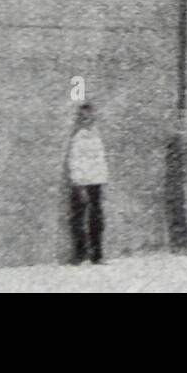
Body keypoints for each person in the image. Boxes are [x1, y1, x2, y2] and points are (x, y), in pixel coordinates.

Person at [67, 104, 109, 264]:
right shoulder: (78, 138)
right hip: (82, 182)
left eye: (90, 117)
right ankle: (80, 253)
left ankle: (97, 253)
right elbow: (75, 161)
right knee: (79, 218)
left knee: (96, 219)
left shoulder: (96, 136)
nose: (88, 120)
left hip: (96, 182)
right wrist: (78, 183)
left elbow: (101, 160)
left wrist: (102, 181)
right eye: (84, 117)